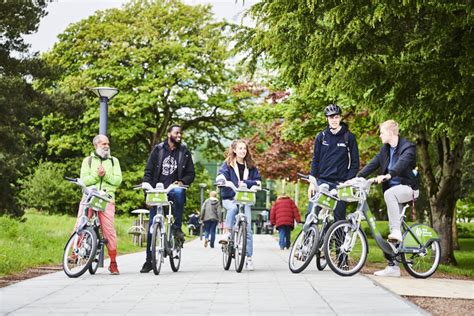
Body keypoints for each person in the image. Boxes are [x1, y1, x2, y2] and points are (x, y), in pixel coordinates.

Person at [358, 119, 419, 277]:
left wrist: (389, 175)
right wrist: (356, 178)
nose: (380, 135)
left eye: (382, 132)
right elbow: (373, 164)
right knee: (392, 235)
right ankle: (393, 267)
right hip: (393, 191)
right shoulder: (385, 150)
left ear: (391, 132)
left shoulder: (408, 147)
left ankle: (397, 230)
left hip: (408, 189)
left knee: (394, 224)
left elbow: (402, 164)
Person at [140, 124, 195, 273]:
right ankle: (149, 261)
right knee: (152, 226)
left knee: (178, 192)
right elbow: (148, 172)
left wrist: (182, 182)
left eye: (180, 133)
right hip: (158, 191)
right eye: (176, 133)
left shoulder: (184, 151)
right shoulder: (158, 150)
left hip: (173, 189)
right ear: (169, 134)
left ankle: (176, 228)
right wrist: (147, 193)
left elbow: (191, 173)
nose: (179, 135)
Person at [77, 134, 122, 275]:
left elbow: (117, 180)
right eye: (104, 144)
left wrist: (105, 175)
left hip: (107, 198)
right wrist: (97, 176)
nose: (107, 146)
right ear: (96, 145)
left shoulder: (114, 161)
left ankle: (113, 263)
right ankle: (74, 253)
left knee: (109, 231)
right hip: (90, 196)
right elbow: (84, 180)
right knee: (80, 223)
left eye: (108, 144)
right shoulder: (88, 161)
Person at [308, 104, 359, 222]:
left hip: (340, 184)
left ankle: (337, 240)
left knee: (339, 218)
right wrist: (312, 182)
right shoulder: (321, 136)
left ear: (340, 118)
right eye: (331, 117)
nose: (334, 120)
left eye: (336, 117)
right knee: (311, 214)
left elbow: (355, 163)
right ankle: (308, 239)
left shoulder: (349, 137)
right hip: (322, 181)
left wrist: (347, 181)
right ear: (327, 119)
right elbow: (315, 159)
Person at [217, 140, 261, 270]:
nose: (243, 151)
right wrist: (221, 180)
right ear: (234, 150)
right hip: (230, 197)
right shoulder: (227, 165)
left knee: (248, 229)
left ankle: (248, 258)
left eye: (245, 149)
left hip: (244, 199)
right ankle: (227, 232)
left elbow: (258, 181)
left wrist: (246, 183)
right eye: (240, 148)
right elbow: (222, 176)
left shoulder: (251, 166)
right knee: (233, 208)